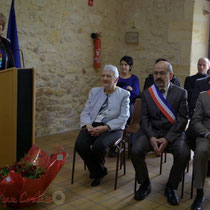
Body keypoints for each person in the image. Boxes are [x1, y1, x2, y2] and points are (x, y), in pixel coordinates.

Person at [131, 61, 190, 206]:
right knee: (136, 150)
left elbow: (182, 119)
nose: (158, 76)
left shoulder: (181, 93)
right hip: (152, 132)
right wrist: (151, 137)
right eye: (155, 73)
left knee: (184, 153)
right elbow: (144, 119)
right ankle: (144, 183)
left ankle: (171, 186)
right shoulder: (147, 94)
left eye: (162, 73)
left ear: (170, 75)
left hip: (173, 134)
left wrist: (167, 139)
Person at [75, 64, 130, 187]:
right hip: (93, 124)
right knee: (80, 144)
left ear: (116, 79)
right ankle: (99, 170)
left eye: (108, 76)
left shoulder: (124, 94)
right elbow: (86, 111)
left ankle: (97, 173)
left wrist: (105, 128)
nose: (105, 78)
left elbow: (124, 117)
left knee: (99, 145)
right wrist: (88, 125)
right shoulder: (95, 91)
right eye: (103, 75)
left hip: (113, 127)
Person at [189, 91, 210, 210]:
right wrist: (207, 134)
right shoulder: (203, 96)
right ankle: (200, 192)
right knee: (201, 151)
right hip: (206, 136)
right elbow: (196, 121)